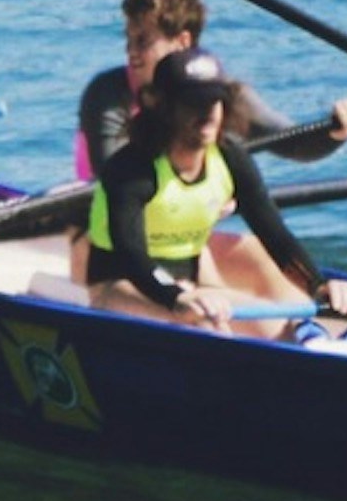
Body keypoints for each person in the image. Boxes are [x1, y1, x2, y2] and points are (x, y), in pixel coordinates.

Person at [83, 52, 333, 318]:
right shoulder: (131, 170)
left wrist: (318, 285)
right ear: (161, 106)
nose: (207, 114)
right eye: (193, 103)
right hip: (120, 284)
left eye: (214, 101)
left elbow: (275, 235)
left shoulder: (231, 157)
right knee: (205, 322)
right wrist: (175, 296)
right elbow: (131, 256)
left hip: (188, 285)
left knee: (279, 324)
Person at [70, 0, 347, 187]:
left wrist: (337, 129)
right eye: (128, 39)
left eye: (143, 41)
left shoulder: (221, 95)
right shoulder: (108, 94)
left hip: (182, 225)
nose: (130, 51)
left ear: (182, 42)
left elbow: (293, 144)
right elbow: (114, 181)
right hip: (108, 229)